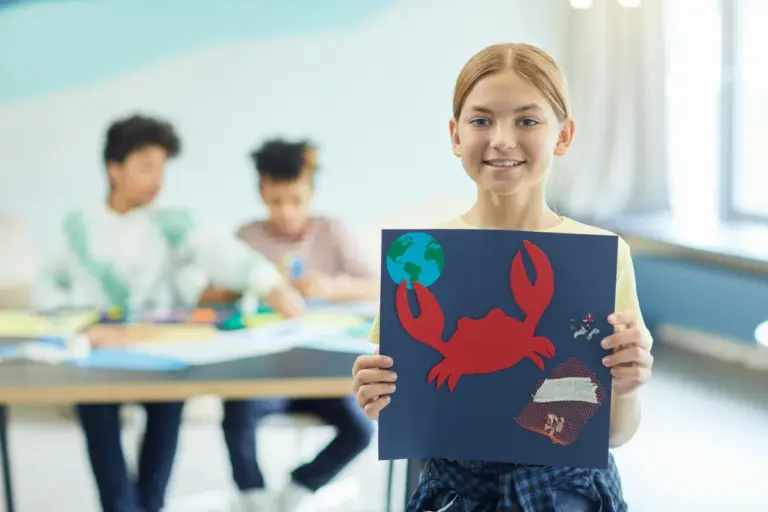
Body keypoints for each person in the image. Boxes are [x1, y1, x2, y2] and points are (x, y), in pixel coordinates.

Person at [351, 43, 654, 512]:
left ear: (564, 135)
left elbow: (614, 432)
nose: (502, 139)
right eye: (481, 120)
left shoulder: (605, 256)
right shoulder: (416, 256)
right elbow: (411, 413)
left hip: (570, 495)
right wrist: (378, 398)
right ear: (455, 135)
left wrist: (629, 387)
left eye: (528, 120)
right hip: (455, 494)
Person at [32, 114, 305, 512]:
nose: (157, 178)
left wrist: (271, 284)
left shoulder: (173, 219)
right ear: (114, 169)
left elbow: (221, 252)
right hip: (98, 351)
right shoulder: (77, 226)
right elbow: (47, 285)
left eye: (161, 167)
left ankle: (150, 504)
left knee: (167, 408)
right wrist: (79, 325)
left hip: (160, 350)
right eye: (145, 167)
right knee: (97, 416)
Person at [199, 138, 377, 512]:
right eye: (275, 201)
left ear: (310, 193)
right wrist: (244, 286)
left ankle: (299, 488)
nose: (285, 212)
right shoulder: (246, 238)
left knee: (361, 429)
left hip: (322, 372)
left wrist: (330, 287)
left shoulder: (332, 230)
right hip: (263, 371)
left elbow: (378, 285)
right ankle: (252, 496)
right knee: (236, 414)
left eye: (295, 200)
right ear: (262, 192)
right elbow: (207, 298)